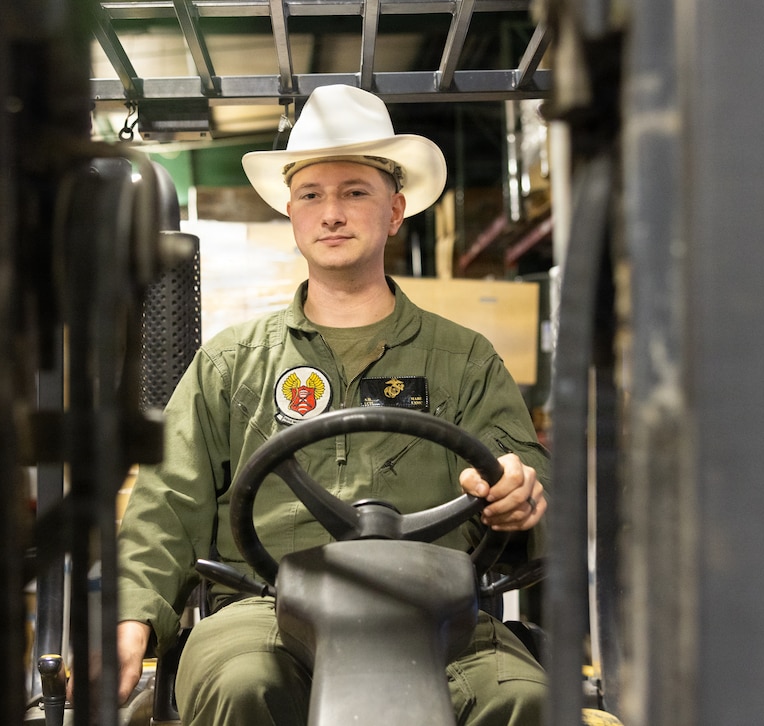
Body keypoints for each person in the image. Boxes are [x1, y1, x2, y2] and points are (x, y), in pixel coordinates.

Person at [116, 84, 550, 725]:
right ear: (292, 214)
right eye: (312, 195)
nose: (332, 214)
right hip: (267, 607)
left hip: (434, 610)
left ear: (395, 211)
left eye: (355, 193)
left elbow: (528, 478)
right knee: (242, 685)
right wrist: (130, 618)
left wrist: (521, 493)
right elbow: (167, 501)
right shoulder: (231, 362)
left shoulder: (464, 360)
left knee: (523, 699)